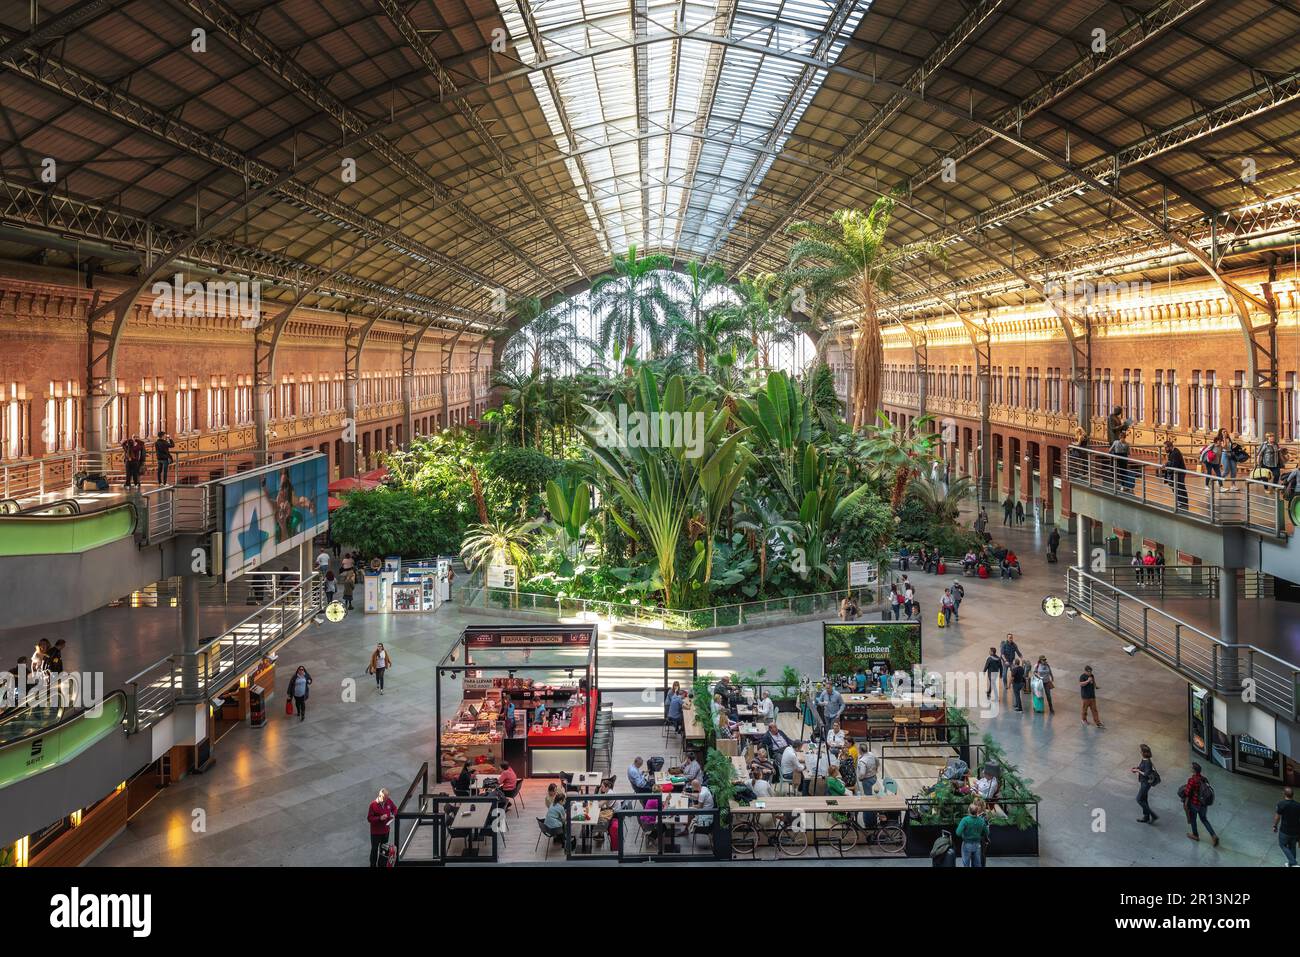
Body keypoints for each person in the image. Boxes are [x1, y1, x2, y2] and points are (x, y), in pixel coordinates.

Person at [1180, 763, 1218, 846]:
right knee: (1204, 819)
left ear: (1194, 770)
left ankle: (1195, 835)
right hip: (1203, 804)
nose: (1191, 768)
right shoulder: (1204, 779)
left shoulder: (1192, 780)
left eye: (1192, 768)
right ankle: (1213, 835)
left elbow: (1187, 792)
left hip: (1195, 804)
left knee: (1193, 818)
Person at [367, 787, 398, 867]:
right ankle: (372, 865)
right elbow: (369, 818)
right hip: (376, 832)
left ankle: (381, 864)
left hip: (386, 831)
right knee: (374, 850)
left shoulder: (388, 801)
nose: (386, 800)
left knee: (383, 850)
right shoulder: (373, 805)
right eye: (385, 798)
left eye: (387, 797)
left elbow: (395, 808)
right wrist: (379, 818)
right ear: (380, 796)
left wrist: (393, 814)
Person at [1132, 744, 1159, 825]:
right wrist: (1137, 768)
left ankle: (1153, 815)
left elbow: (1146, 773)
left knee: (1139, 799)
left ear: (1143, 752)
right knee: (1144, 799)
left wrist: (1138, 771)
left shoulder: (1147, 762)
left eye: (1140, 750)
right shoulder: (1144, 759)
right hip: (1143, 782)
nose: (1139, 751)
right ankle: (1146, 817)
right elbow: (1142, 767)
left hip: (1145, 784)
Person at [1273, 786, 1299, 867]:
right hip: (1295, 831)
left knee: (1282, 845)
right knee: (1292, 847)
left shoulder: (1281, 804)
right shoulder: (1298, 805)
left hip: (1285, 830)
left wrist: (1275, 825)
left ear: (1284, 794)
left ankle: (1294, 863)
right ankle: (1291, 864)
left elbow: (1277, 817)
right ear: (1293, 795)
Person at [956, 802, 988, 867]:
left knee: (966, 863)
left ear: (969, 810)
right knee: (977, 864)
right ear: (977, 811)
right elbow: (987, 832)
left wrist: (964, 834)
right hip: (977, 844)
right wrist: (980, 834)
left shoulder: (965, 820)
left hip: (967, 844)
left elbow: (958, 833)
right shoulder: (981, 820)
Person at [1162, 439, 1189, 510]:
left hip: (1179, 473)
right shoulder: (1172, 452)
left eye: (1166, 447)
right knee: (1179, 486)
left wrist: (1168, 468)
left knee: (1179, 486)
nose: (1165, 449)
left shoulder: (1175, 453)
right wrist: (1166, 464)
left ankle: (1182, 502)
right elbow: (1170, 462)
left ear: (1170, 447)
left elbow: (1174, 465)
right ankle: (1182, 502)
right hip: (1177, 472)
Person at [1110, 428, 1135, 493]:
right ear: (1125, 437)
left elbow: (1110, 450)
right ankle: (1123, 485)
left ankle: (1118, 485)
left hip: (1116, 458)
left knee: (1116, 472)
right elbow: (1129, 453)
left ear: (1119, 437)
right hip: (1124, 459)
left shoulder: (1115, 442)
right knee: (1123, 472)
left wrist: (1115, 452)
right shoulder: (1127, 444)